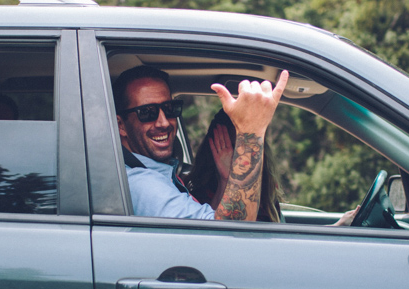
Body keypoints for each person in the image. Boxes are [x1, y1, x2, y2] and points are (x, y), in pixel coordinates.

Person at [114, 64, 287, 221]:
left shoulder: (158, 175)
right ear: (121, 125)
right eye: (147, 112)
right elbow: (229, 234)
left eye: (169, 109)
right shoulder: (144, 185)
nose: (164, 122)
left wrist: (227, 179)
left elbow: (207, 223)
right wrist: (251, 131)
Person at [186, 110, 283, 222]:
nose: (240, 156)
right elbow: (207, 231)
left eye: (246, 148)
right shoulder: (199, 195)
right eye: (229, 146)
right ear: (213, 149)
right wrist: (225, 180)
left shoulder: (266, 197)